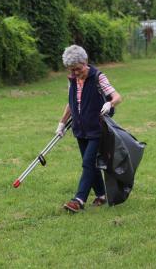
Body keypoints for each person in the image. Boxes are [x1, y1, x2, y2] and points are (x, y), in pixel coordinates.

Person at [56, 45, 122, 213]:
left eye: (77, 69)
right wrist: (62, 123)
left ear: (85, 63)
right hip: (79, 129)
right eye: (71, 70)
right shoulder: (72, 79)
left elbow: (117, 96)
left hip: (97, 128)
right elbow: (71, 103)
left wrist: (109, 103)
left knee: (87, 163)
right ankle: (101, 195)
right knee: (90, 164)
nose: (75, 73)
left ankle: (78, 200)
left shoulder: (98, 77)